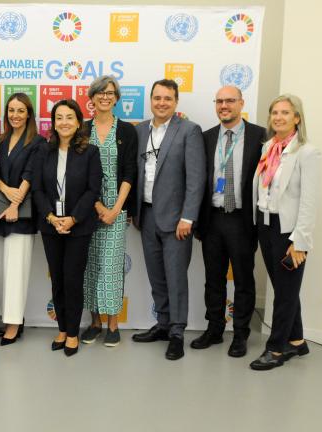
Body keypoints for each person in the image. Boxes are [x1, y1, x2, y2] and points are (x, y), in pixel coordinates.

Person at [131, 79, 206, 360]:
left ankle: (177, 332)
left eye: (168, 98)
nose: (162, 103)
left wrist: (188, 217)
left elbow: (196, 179)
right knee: (156, 276)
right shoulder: (139, 131)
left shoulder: (189, 130)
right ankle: (162, 324)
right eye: (157, 98)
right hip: (146, 215)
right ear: (150, 100)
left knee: (176, 277)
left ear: (176, 102)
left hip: (176, 220)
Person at [191, 86, 265, 357]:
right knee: (213, 279)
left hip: (242, 220)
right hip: (212, 219)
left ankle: (241, 333)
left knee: (244, 279)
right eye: (220, 101)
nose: (224, 105)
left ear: (241, 103)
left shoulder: (260, 136)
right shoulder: (206, 137)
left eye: (230, 101)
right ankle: (214, 329)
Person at [249, 94, 321, 371]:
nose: (278, 117)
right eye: (274, 112)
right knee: (284, 288)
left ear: (297, 118)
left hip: (288, 231)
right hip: (265, 226)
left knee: (286, 293)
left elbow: (309, 201)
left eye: (285, 113)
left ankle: (276, 349)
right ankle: (297, 341)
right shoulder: (269, 147)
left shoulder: (307, 152)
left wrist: (300, 242)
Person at [32, 99, 102, 357]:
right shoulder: (43, 151)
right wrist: (51, 217)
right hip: (51, 226)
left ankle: (72, 332)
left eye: (69, 117)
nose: (64, 122)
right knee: (58, 281)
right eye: (59, 117)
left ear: (78, 121)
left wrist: (72, 219)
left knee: (73, 280)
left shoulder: (90, 152)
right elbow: (37, 189)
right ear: (53, 123)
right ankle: (62, 328)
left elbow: (92, 190)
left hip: (79, 227)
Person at [80, 75, 137, 348]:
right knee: (90, 266)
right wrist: (98, 206)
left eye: (111, 93)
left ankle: (113, 324)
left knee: (112, 268)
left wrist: (116, 209)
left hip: (117, 208)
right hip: (87, 207)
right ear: (91, 98)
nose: (105, 97)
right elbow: (77, 175)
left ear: (116, 98)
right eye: (100, 92)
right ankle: (94, 323)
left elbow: (129, 174)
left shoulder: (126, 131)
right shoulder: (81, 129)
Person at [0, 93, 45, 346]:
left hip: (21, 215)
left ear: (29, 114)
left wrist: (15, 203)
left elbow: (31, 175)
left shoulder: (38, 142)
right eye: (11, 110)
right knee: (2, 270)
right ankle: (8, 319)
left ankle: (14, 325)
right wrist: (3, 188)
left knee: (16, 270)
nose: (15, 115)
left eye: (20, 111)